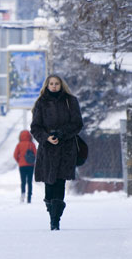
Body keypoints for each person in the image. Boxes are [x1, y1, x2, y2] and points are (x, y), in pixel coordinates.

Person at [30, 75, 83, 230]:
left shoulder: (70, 101)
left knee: (60, 182)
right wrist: (46, 138)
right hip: (47, 149)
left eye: (56, 84)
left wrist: (61, 134)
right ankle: (51, 209)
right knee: (49, 183)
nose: (53, 86)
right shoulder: (41, 103)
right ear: (47, 86)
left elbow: (77, 123)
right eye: (51, 84)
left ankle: (55, 220)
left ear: (61, 85)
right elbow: (35, 127)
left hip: (66, 148)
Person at [13, 130, 37, 204]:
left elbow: (15, 155)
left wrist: (19, 161)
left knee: (23, 181)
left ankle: (23, 194)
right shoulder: (32, 144)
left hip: (22, 165)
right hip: (30, 165)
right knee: (29, 182)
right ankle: (29, 197)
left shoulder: (19, 145)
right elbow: (36, 154)